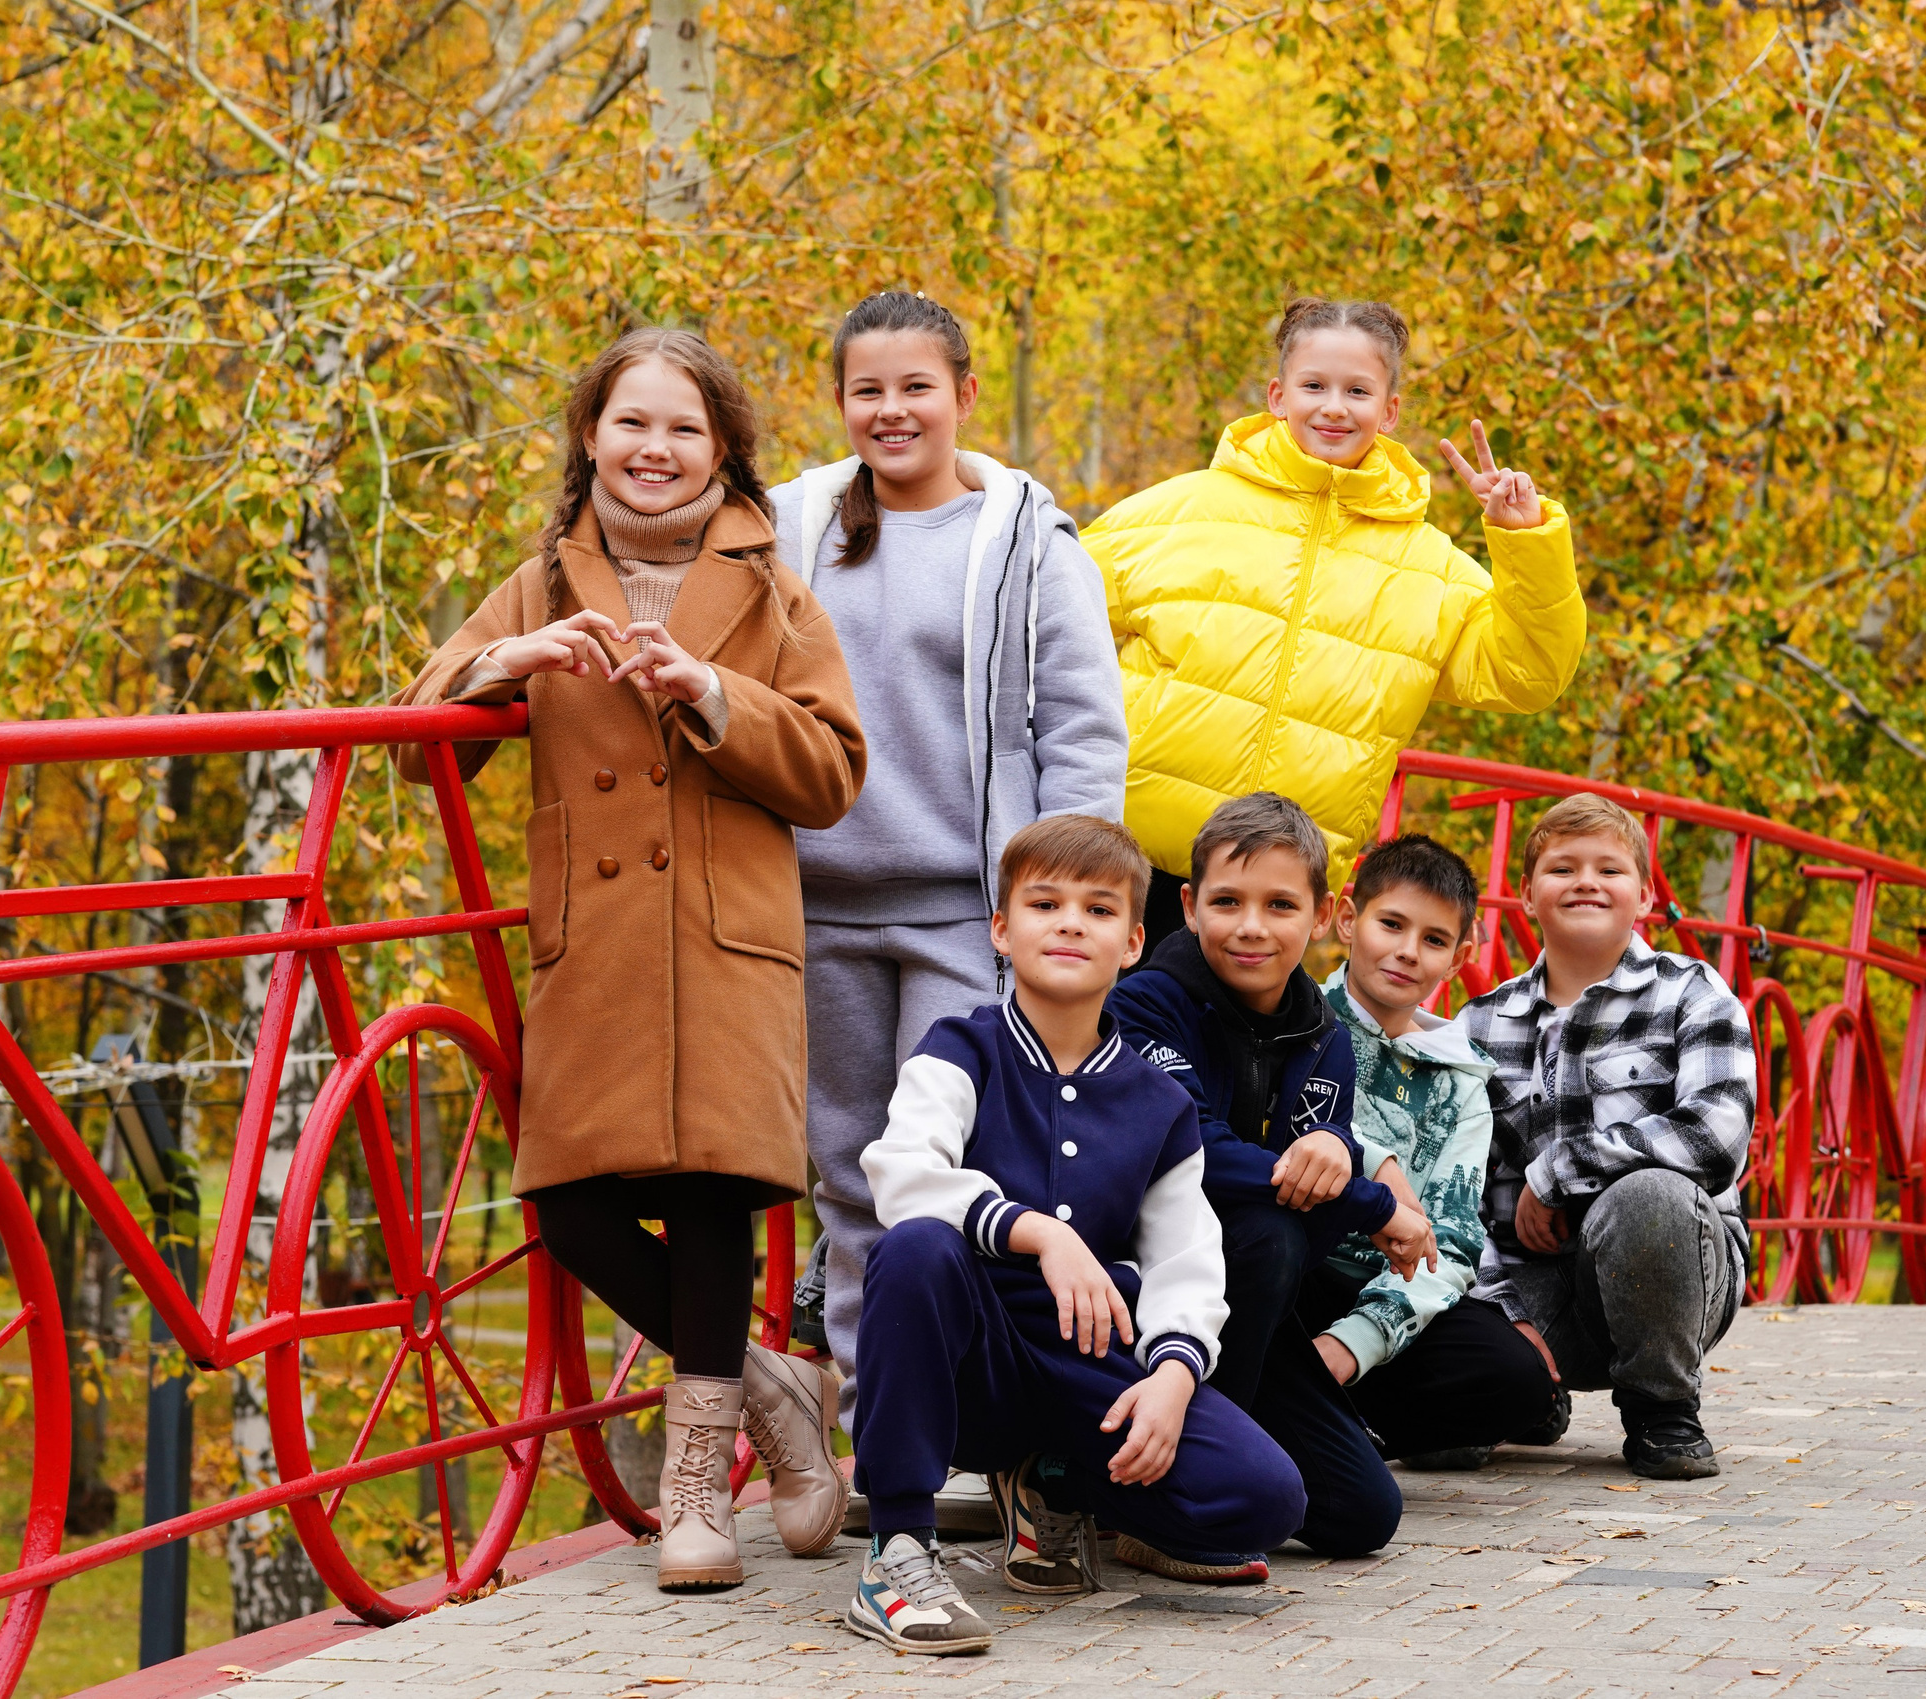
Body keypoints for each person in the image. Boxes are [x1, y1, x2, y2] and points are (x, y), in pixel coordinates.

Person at [397, 329, 867, 1590]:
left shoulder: (771, 590)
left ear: (723, 450)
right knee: (566, 1202)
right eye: (630, 424)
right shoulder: (543, 581)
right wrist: (501, 666)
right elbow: (413, 734)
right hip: (594, 942)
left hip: (725, 937)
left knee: (713, 1189)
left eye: (683, 431)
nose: (654, 451)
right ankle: (776, 1394)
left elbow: (832, 773)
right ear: (589, 437)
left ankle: (698, 1485)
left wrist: (713, 694)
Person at [770, 290, 1127, 1429]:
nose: (891, 411)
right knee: (845, 1174)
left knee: (962, 1170)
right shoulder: (790, 532)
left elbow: (1080, 729)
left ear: (964, 396)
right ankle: (885, 1432)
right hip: (816, 905)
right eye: (867, 390)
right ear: (840, 403)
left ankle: (978, 1418)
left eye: (915, 387)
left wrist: (1065, 908)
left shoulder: (1025, 539)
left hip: (965, 911)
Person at [845, 815, 1304, 1654]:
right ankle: (899, 1548)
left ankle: (1053, 1481)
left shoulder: (1158, 1103)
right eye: (1044, 902)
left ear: (1133, 942)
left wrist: (1172, 1371)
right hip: (973, 1361)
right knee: (914, 1247)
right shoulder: (961, 1047)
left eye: (1097, 910)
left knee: (1266, 1497)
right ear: (1001, 928)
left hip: (1087, 1364)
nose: (1067, 922)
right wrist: (1037, 1235)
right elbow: (901, 1170)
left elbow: (1188, 1257)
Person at [1084, 297, 1586, 949]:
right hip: (1127, 865)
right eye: (1314, 385)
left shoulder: (1428, 567)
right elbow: (1042, 622)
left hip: (1277, 891)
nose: (1333, 406)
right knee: (1088, 1047)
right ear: (1277, 394)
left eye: (1357, 390)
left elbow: (1528, 675)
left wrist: (1526, 542)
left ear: (1390, 409)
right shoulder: (1176, 512)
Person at [1107, 793, 1433, 1579]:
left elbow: (1314, 1229)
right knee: (1262, 1231)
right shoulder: (1145, 1003)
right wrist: (1373, 1198)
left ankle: (1226, 1459)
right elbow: (1195, 1156)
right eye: (1227, 901)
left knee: (1364, 1515)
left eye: (1280, 904)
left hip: (1254, 1309)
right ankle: (1160, 1498)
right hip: (1145, 1290)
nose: (1252, 925)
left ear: (1322, 915)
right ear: (1189, 905)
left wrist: (1335, 1146)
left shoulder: (1324, 1038)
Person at [1463, 793, 1757, 1480]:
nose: (1587, 881)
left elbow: (1715, 1138)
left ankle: (1662, 1407)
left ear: (1646, 896)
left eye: (1610, 869)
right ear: (1527, 896)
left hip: (1674, 1274)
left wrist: (1558, 1170)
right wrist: (1498, 1314)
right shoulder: (1480, 1024)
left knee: (1649, 1194)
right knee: (1438, 1438)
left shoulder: (1693, 993)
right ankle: (1526, 1388)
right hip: (1529, 1282)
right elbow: (1456, 1186)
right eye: (1562, 868)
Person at [1306, 834, 1562, 1470]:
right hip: (1295, 1266)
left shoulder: (1461, 1080)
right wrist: (1377, 1163)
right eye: (1390, 924)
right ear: (1346, 919)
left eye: (1433, 939)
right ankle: (1320, 1417)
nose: (1405, 952)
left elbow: (1451, 1240)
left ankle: (1335, 1411)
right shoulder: (1299, 1022)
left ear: (1459, 956)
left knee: (1516, 1379)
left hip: (1386, 1289)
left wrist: (1351, 1343)